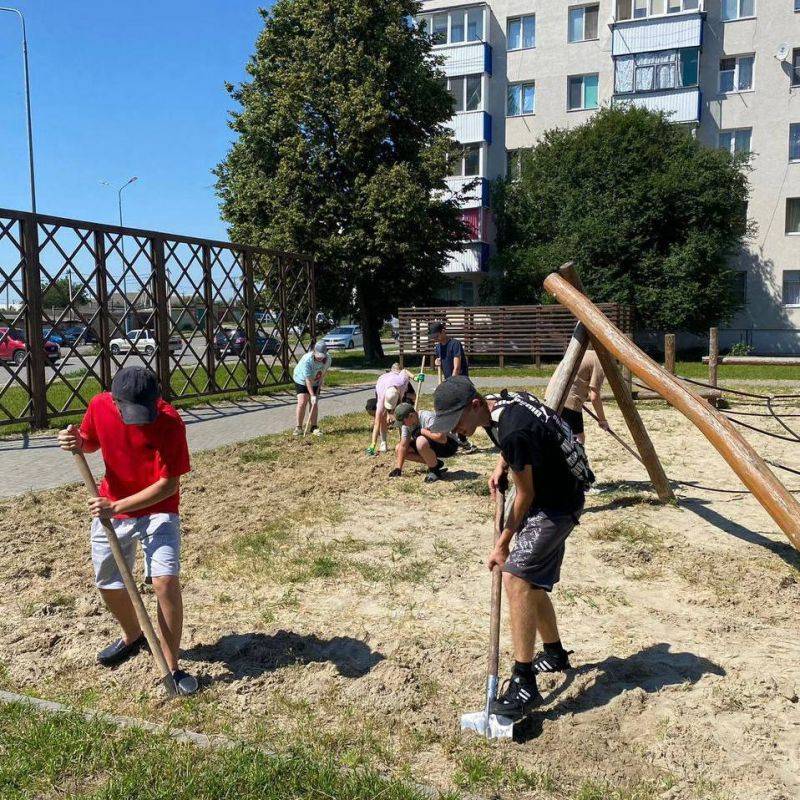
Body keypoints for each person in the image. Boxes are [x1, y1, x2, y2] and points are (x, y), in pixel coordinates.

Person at [429, 376, 592, 721]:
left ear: (474, 405)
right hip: (553, 494)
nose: (454, 430)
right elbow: (523, 442)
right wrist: (502, 464)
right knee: (531, 583)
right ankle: (554, 653)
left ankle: (523, 680)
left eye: (456, 421)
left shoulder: (513, 429)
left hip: (556, 506)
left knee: (516, 578)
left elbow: (526, 494)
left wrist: (502, 543)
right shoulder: (500, 406)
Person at [56, 366, 197, 694]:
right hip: (113, 510)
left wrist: (116, 506)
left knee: (165, 583)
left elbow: (168, 485)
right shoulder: (100, 405)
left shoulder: (170, 422)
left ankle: (171, 664)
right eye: (130, 411)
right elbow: (90, 442)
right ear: (114, 401)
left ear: (157, 399)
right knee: (107, 583)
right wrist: (76, 440)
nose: (139, 418)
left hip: (157, 511)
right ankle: (133, 635)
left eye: (145, 411)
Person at [429, 321, 477, 454]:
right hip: (449, 383)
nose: (435, 338)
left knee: (460, 412)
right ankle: (460, 441)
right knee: (452, 413)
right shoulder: (438, 347)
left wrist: (450, 384)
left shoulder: (454, 344)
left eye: (437, 335)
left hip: (460, 383)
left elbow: (456, 367)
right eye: (434, 337)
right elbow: (439, 361)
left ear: (444, 331)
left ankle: (462, 440)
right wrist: (436, 361)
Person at [550, 348, 608, 444]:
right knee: (578, 439)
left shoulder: (584, 352)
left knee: (560, 433)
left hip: (552, 394)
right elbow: (594, 396)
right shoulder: (599, 359)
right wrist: (602, 420)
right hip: (569, 402)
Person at [388, 402, 456, 482]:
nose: (403, 425)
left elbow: (442, 438)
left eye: (403, 422)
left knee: (420, 440)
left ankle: (435, 471)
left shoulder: (427, 417)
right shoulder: (407, 425)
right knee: (398, 448)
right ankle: (436, 463)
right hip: (431, 446)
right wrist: (398, 468)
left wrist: (422, 431)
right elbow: (403, 446)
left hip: (448, 445)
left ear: (411, 416)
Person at [367, 364, 420, 455]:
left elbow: (405, 371)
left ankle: (404, 440)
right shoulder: (382, 395)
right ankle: (383, 442)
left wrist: (415, 377)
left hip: (396, 391)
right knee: (382, 416)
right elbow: (377, 422)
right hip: (382, 387)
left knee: (402, 415)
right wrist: (373, 444)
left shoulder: (401, 381)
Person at [293, 341, 332, 436]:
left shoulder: (328, 359)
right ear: (314, 351)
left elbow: (323, 372)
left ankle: (314, 427)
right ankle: (298, 427)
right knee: (302, 402)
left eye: (322, 355)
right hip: (301, 380)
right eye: (318, 354)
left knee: (314, 404)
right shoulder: (307, 360)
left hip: (316, 380)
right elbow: (307, 380)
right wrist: (312, 395)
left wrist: (320, 383)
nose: (320, 357)